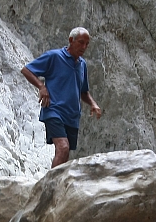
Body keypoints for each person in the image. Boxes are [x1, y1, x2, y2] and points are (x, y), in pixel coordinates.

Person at [20, 27, 103, 167]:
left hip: (72, 116)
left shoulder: (82, 65)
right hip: (53, 110)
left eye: (87, 44)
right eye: (81, 42)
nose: (84, 47)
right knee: (63, 147)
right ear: (71, 40)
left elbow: (83, 92)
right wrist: (42, 86)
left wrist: (93, 104)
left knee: (65, 154)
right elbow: (26, 70)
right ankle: (50, 186)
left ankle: (56, 183)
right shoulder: (54, 56)